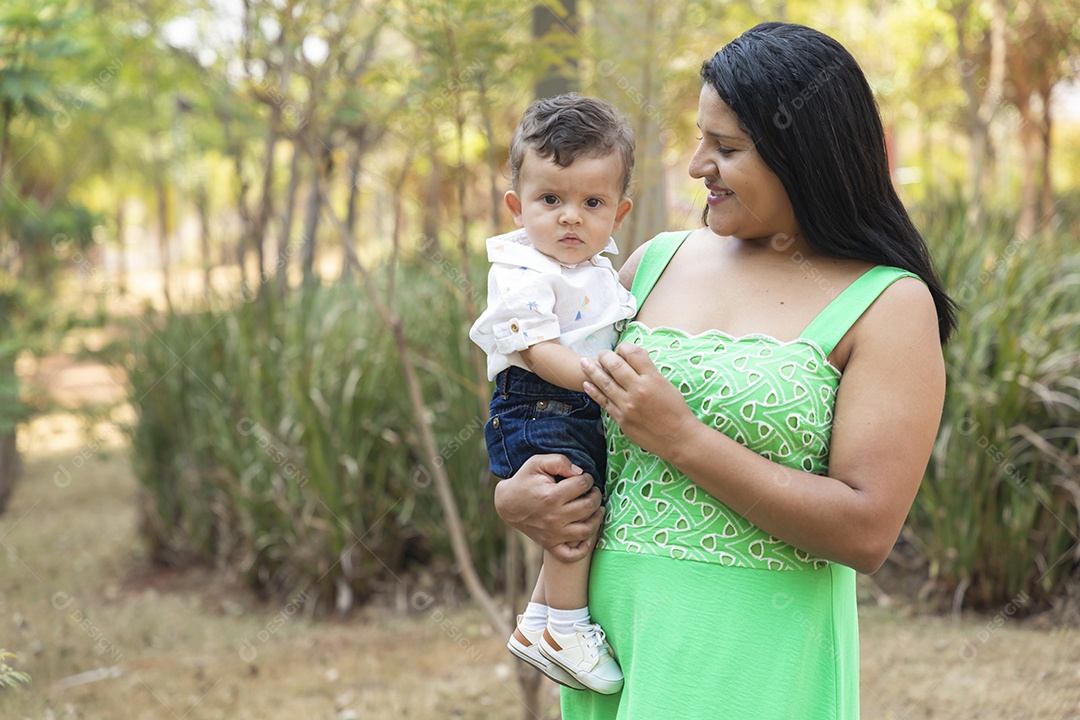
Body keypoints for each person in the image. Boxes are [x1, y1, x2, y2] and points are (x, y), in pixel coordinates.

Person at [494, 22, 959, 718]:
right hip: (613, 642)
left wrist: (681, 437)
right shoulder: (651, 263)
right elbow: (550, 408)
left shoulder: (888, 303)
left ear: (803, 155)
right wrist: (517, 497)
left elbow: (866, 531)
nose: (695, 165)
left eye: (727, 147)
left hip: (753, 650)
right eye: (700, 138)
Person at [469, 94, 637, 694]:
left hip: (572, 406)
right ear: (517, 207)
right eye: (550, 200)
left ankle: (539, 619)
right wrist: (603, 376)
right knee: (573, 519)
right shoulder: (521, 271)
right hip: (537, 405)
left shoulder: (599, 271)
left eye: (591, 203)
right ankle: (566, 627)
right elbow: (539, 351)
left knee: (579, 507)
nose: (570, 217)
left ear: (618, 213)